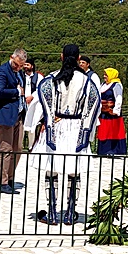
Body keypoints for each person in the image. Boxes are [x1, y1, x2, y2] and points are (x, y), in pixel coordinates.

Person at [31, 44, 101, 225]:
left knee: (51, 170)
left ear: (61, 57)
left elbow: (40, 102)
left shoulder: (52, 78)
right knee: (74, 171)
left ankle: (52, 213)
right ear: (79, 59)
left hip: (57, 125)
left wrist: (44, 121)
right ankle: (70, 214)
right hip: (77, 127)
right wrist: (87, 130)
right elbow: (94, 106)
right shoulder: (87, 81)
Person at [0, 49, 27, 195]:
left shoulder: (20, 73)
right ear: (12, 57)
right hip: (4, 115)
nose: (18, 68)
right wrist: (17, 92)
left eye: (21, 66)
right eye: (17, 65)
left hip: (18, 115)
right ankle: (2, 182)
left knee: (18, 148)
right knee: (6, 149)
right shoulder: (1, 72)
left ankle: (10, 178)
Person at [98, 68, 126, 155]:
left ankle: (114, 151)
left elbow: (118, 97)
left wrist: (116, 110)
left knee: (113, 130)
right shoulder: (103, 85)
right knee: (104, 130)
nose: (104, 76)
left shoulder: (116, 85)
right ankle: (103, 150)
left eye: (106, 75)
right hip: (103, 111)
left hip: (112, 112)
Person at [23, 58, 45, 149]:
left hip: (33, 103)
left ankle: (31, 146)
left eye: (27, 65)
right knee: (20, 125)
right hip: (22, 103)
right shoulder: (20, 75)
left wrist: (32, 96)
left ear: (32, 66)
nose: (25, 67)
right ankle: (18, 146)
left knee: (32, 125)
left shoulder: (38, 77)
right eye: (24, 65)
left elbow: (40, 88)